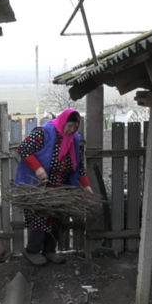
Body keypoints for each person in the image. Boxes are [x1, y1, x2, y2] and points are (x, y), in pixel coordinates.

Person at [15, 109, 93, 265]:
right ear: (63, 122)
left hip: (60, 188)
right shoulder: (44, 133)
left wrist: (86, 186)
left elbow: (79, 167)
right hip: (39, 186)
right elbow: (23, 148)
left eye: (75, 127)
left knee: (56, 218)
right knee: (39, 217)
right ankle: (32, 251)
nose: (71, 130)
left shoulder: (75, 141)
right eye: (69, 126)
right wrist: (38, 168)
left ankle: (49, 251)